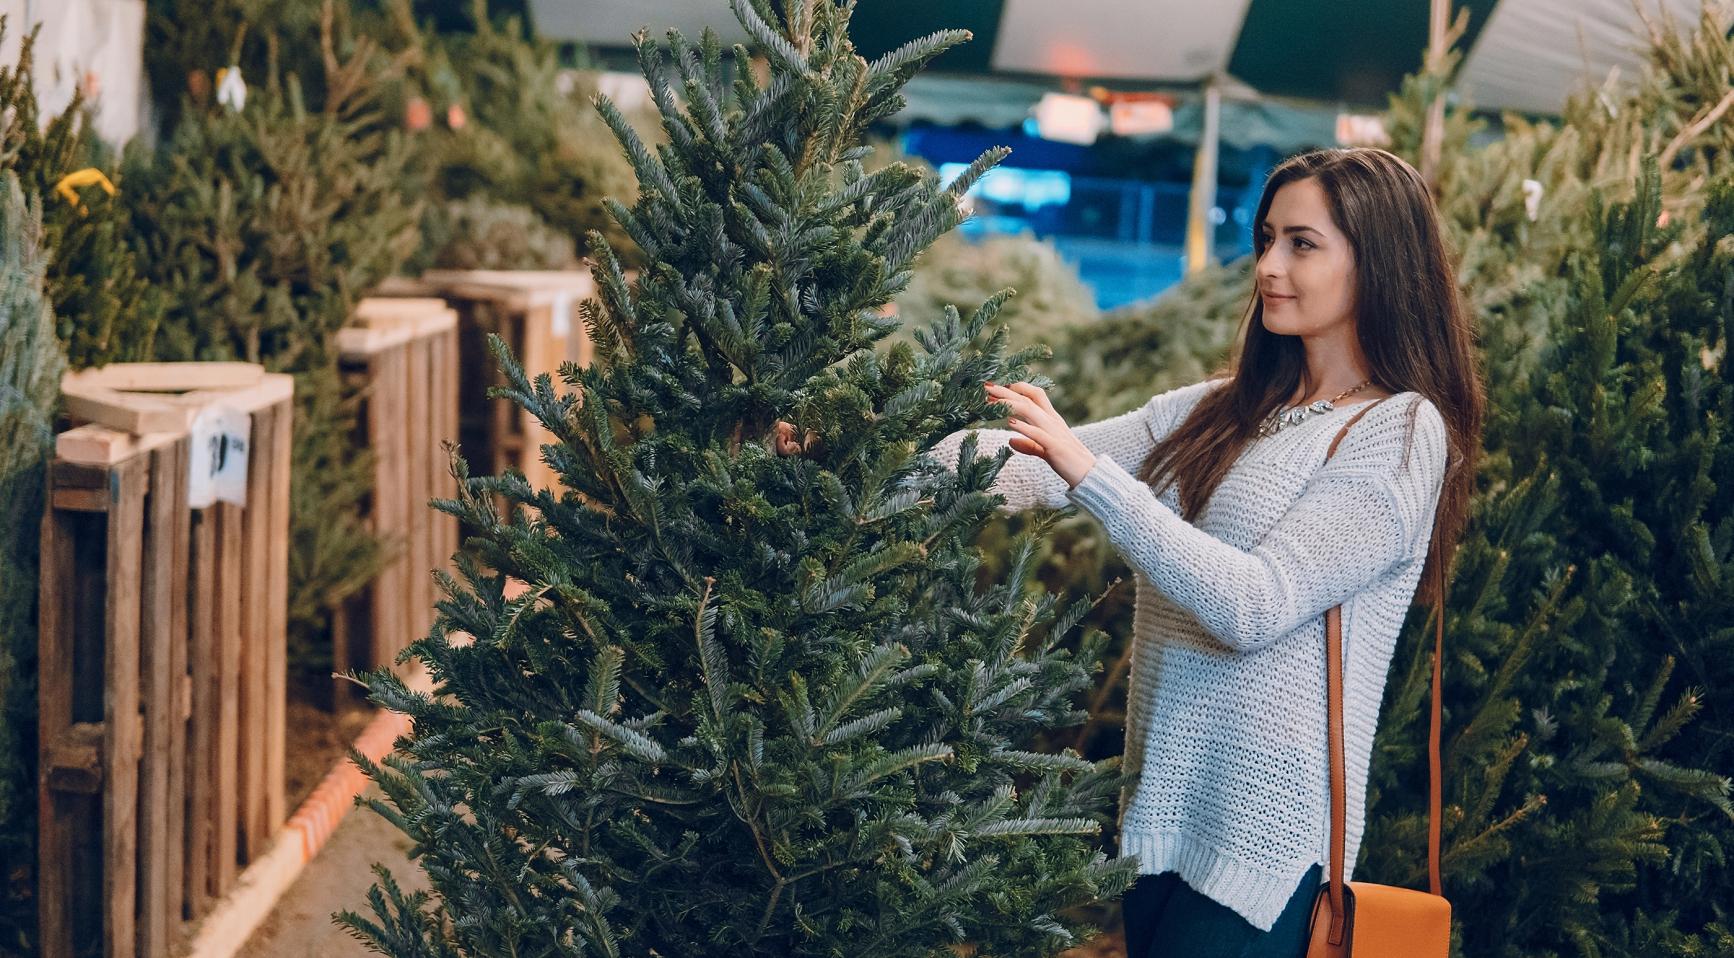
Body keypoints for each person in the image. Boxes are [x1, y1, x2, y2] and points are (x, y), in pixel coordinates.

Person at [776, 146, 1483, 957]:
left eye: (1302, 243)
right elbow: (1027, 469)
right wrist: (838, 453)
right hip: (1161, 820)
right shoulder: (1221, 409)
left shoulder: (1399, 431)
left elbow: (1255, 604)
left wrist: (1095, 478)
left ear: (1380, 262)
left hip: (1266, 847)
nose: (1267, 266)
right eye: (1265, 239)